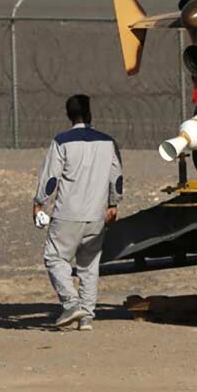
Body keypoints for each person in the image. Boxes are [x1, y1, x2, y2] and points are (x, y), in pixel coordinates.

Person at [32, 94, 123, 330]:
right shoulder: (108, 142)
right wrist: (114, 204)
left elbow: (51, 179)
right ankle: (86, 318)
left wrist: (39, 203)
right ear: (90, 113)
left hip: (68, 214)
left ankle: (71, 303)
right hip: (96, 215)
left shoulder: (61, 142)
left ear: (68, 115)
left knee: (55, 258)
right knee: (89, 266)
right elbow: (117, 177)